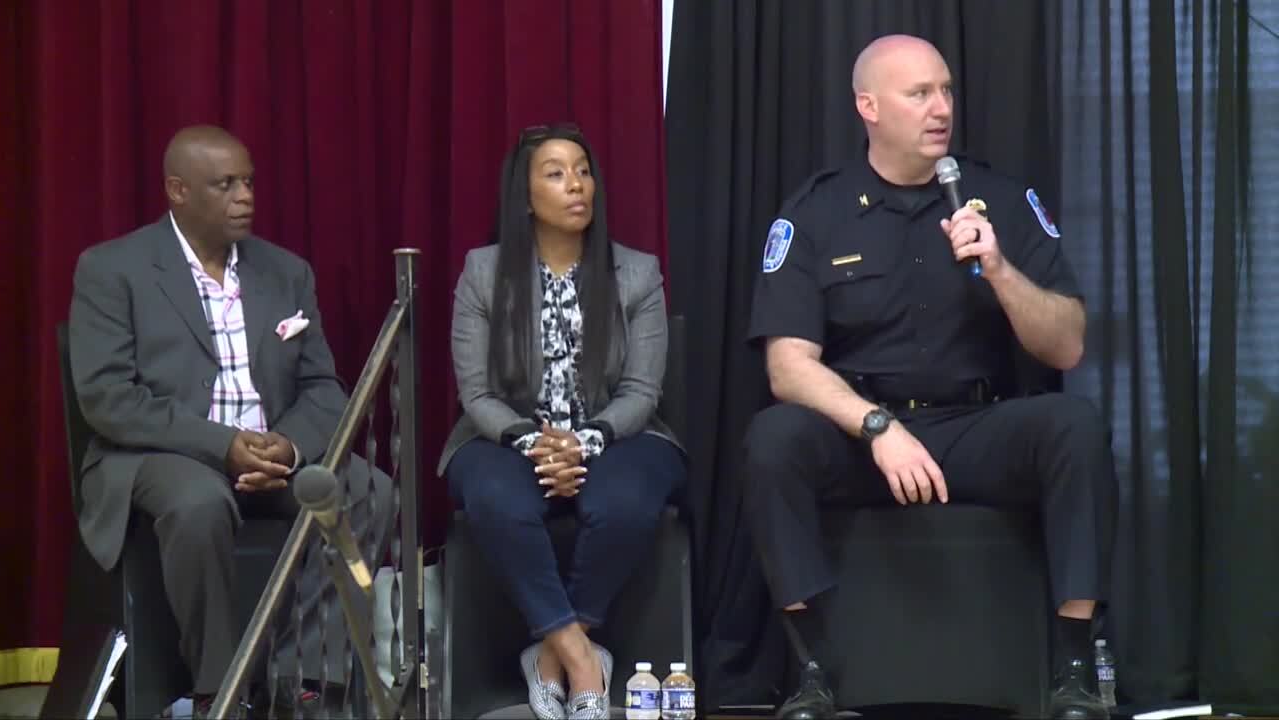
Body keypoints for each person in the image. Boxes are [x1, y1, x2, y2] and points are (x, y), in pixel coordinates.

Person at [742, 35, 1116, 720]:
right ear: (869, 107)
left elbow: (1066, 346)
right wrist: (877, 427)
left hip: (975, 425)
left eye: (945, 91)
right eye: (919, 94)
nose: (941, 108)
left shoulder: (1000, 198)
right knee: (774, 440)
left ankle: (1073, 669)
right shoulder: (816, 212)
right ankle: (813, 669)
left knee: (1074, 424)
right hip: (865, 435)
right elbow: (787, 366)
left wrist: (999, 270)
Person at [68, 125, 391, 718]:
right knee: (198, 502)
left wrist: (288, 448)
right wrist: (224, 446)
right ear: (178, 191)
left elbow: (323, 387)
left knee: (369, 491)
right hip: (163, 455)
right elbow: (109, 398)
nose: (245, 197)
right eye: (225, 185)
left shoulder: (286, 272)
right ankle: (220, 690)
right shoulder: (113, 269)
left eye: (248, 182)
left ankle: (303, 683)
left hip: (271, 453)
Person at [438, 123, 686, 720]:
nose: (576, 185)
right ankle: (581, 660)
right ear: (525, 197)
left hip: (620, 433)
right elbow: (477, 392)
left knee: (625, 500)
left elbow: (642, 390)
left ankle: (547, 659)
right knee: (498, 500)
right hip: (503, 435)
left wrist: (583, 442)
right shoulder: (483, 272)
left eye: (583, 171)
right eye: (555, 174)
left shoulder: (637, 273)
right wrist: (535, 442)